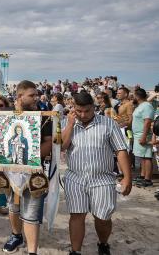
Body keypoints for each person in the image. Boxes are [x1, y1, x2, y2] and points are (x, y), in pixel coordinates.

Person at [61, 91, 132, 255]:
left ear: (93, 107)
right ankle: (75, 251)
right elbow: (63, 147)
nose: (83, 114)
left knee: (102, 218)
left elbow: (120, 150)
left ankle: (103, 243)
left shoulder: (108, 124)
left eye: (87, 110)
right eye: (79, 111)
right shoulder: (67, 122)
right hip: (75, 178)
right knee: (77, 215)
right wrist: (71, 124)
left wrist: (127, 177)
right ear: (74, 108)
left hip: (103, 179)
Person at [0, 80, 52, 255]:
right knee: (13, 207)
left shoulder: (44, 116)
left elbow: (49, 143)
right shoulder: (6, 114)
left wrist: (30, 158)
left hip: (33, 170)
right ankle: (16, 235)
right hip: (11, 168)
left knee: (31, 211)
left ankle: (32, 251)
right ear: (20, 96)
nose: (36, 97)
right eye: (32, 95)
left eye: (36, 94)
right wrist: (2, 146)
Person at [132, 88, 155, 187]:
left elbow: (147, 122)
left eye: (134, 95)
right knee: (142, 157)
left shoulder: (146, 106)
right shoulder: (141, 105)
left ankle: (148, 179)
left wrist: (144, 136)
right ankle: (142, 176)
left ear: (137, 96)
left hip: (143, 134)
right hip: (138, 134)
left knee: (147, 157)